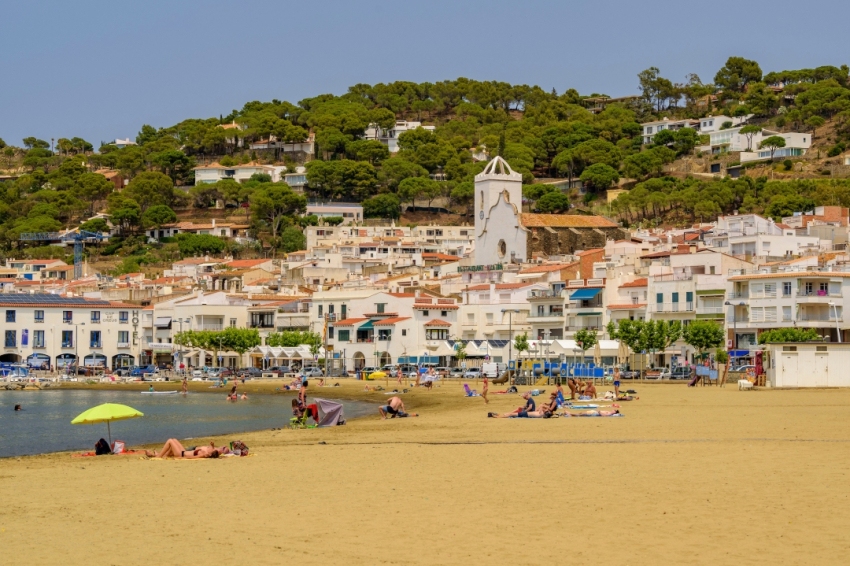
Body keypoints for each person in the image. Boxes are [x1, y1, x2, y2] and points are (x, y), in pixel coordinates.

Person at [145, 439, 227, 458]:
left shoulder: (204, 454)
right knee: (174, 440)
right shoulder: (208, 452)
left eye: (213, 450)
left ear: (211, 453)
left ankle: (158, 457)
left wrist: (181, 458)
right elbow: (213, 449)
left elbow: (193, 458)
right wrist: (212, 445)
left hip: (181, 454)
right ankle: (159, 455)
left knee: (170, 441)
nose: (214, 448)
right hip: (183, 451)